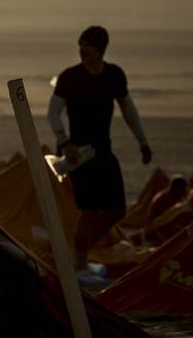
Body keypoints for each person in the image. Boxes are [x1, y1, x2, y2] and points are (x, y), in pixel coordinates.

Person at [47, 26, 152, 285]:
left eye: (88, 46)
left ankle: (78, 256)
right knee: (90, 211)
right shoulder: (70, 77)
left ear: (100, 49)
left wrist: (142, 142)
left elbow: (128, 108)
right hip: (78, 155)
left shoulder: (114, 75)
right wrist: (65, 142)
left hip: (103, 151)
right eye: (80, 45)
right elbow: (53, 112)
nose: (82, 50)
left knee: (116, 210)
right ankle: (80, 266)